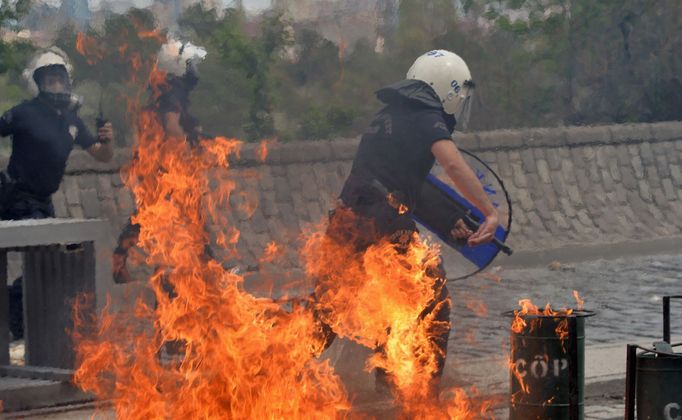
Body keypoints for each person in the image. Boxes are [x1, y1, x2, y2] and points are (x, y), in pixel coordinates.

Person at [312, 50, 499, 396]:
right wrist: (489, 212)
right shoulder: (427, 117)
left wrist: (449, 219)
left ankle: (262, 364)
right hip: (383, 222)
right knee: (432, 298)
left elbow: (402, 180)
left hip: (346, 220)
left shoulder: (388, 116)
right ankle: (423, 397)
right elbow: (454, 166)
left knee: (326, 311)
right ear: (448, 91)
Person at [0, 47, 114, 339]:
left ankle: (15, 317)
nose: (55, 85)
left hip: (42, 201)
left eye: (59, 79)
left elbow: (102, 156)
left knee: (48, 263)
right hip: (13, 194)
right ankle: (14, 320)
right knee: (43, 257)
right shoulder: (24, 113)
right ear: (37, 84)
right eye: (48, 80)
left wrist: (108, 141)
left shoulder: (73, 121)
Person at [112, 39, 206, 284]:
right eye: (189, 63)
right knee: (185, 215)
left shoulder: (161, 90)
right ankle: (208, 264)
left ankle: (118, 262)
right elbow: (172, 126)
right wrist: (188, 150)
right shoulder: (173, 91)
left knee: (147, 215)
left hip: (155, 166)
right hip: (166, 168)